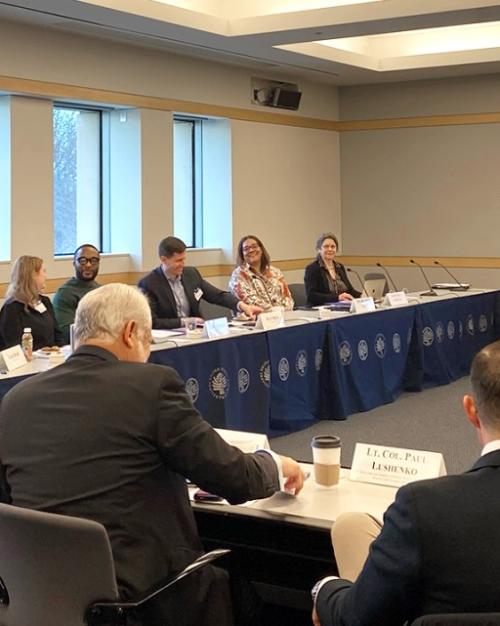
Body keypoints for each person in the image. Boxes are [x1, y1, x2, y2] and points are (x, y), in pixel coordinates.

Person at [0, 283, 304, 626]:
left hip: (37, 596)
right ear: (131, 332)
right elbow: (235, 479)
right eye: (148, 341)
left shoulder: (15, 400)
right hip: (139, 602)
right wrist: (277, 464)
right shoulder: (151, 386)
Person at [312, 339, 500, 626]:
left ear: (471, 410)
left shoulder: (424, 507)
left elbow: (353, 619)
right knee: (353, 525)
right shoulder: (424, 508)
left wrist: (323, 588)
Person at [138, 236, 262, 329]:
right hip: (169, 339)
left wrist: (242, 306)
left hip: (195, 335)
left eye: (184, 259)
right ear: (163, 260)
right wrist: (184, 321)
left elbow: (217, 296)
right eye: (178, 261)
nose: (182, 264)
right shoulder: (149, 284)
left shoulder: (191, 274)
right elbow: (152, 322)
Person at [0, 255, 63, 351]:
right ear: (33, 275)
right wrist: (40, 352)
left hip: (52, 359)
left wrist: (60, 349)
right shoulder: (11, 309)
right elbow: (13, 348)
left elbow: (57, 334)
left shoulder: (45, 302)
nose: (46, 276)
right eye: (44, 271)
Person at [229, 235, 294, 311]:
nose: (251, 250)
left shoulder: (275, 272)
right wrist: (273, 311)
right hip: (253, 320)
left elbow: (287, 297)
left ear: (261, 249)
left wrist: (284, 310)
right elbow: (249, 302)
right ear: (242, 254)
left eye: (254, 246)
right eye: (246, 249)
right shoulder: (238, 275)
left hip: (282, 317)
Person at [52, 243, 101, 343]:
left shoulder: (102, 291)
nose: (88, 265)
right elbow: (66, 333)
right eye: (82, 261)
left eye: (94, 261)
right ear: (74, 264)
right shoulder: (65, 293)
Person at [304, 233, 361, 306]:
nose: (330, 249)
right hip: (320, 309)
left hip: (340, 306)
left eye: (333, 246)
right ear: (319, 249)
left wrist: (364, 296)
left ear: (336, 249)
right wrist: (337, 298)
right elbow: (311, 296)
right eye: (326, 246)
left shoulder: (339, 267)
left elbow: (350, 291)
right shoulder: (312, 269)